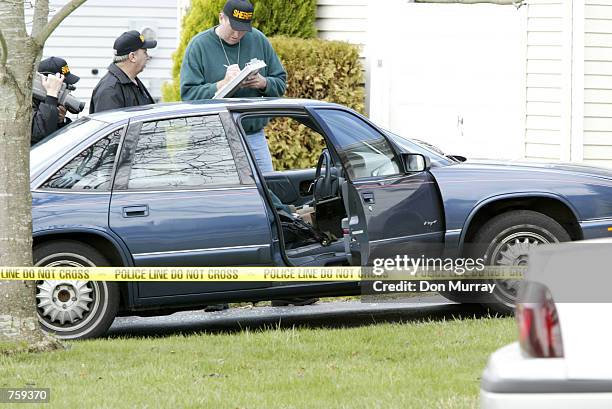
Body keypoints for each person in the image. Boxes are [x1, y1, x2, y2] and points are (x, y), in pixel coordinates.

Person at [180, 0, 287, 173]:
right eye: (233, 27)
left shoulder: (258, 40)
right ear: (222, 17)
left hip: (252, 135)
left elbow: (281, 82)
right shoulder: (199, 46)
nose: (237, 34)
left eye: (243, 30)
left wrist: (263, 83)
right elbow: (188, 96)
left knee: (266, 190)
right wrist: (221, 84)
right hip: (213, 139)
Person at [90, 30, 157, 113]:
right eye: (145, 52)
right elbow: (112, 125)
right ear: (132, 57)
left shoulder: (132, 81)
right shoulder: (109, 91)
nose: (148, 57)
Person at [31, 57, 80, 145]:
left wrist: (61, 122)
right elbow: (39, 134)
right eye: (62, 86)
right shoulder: (25, 102)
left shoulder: (52, 103)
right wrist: (52, 94)